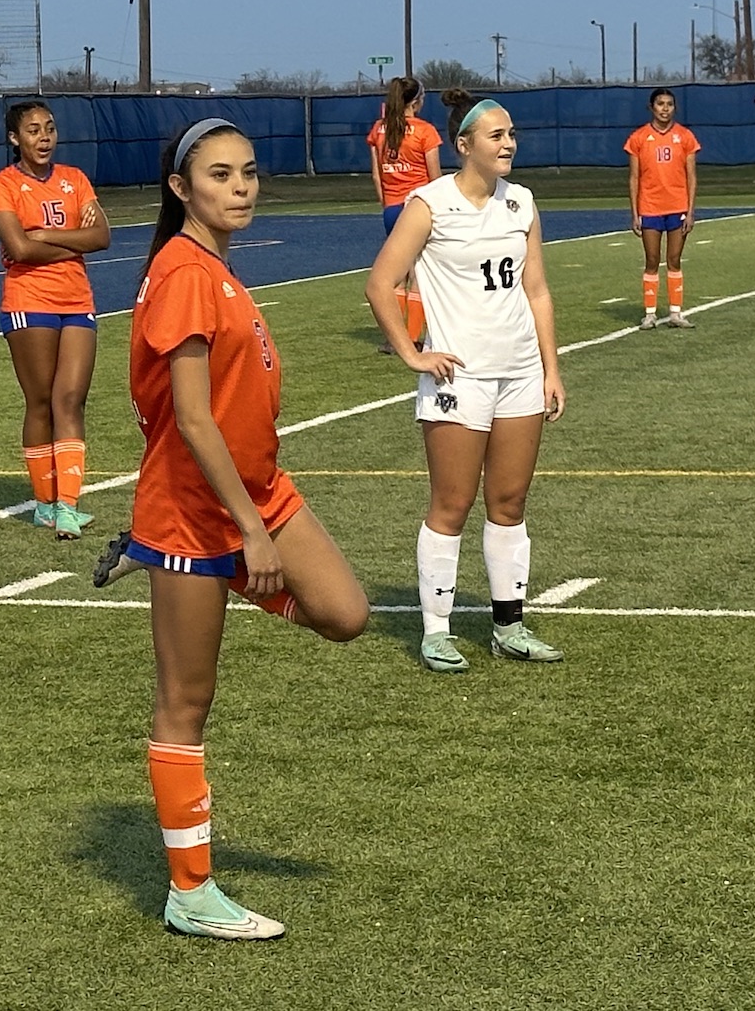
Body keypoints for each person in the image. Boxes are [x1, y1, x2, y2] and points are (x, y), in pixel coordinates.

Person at [130, 118, 370, 940]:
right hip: (193, 514)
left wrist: (258, 524)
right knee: (185, 702)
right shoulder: (182, 273)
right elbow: (193, 420)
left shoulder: (216, 270)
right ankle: (191, 892)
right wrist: (249, 536)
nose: (240, 187)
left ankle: (229, 580)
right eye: (220, 175)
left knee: (345, 613)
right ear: (180, 188)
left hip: (257, 493)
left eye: (249, 173)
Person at [367, 90, 566, 675]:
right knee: (452, 504)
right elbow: (380, 283)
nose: (509, 144)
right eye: (497, 135)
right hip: (460, 376)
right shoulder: (429, 204)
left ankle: (509, 627)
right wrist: (413, 353)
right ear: (464, 145)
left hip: (520, 373)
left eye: (512, 134)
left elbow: (536, 290)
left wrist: (551, 368)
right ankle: (436, 631)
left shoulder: (522, 202)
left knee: (509, 502)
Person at [0, 101, 111, 540]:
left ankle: (68, 507)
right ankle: (45, 504)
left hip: (77, 299)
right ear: (14, 138)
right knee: (40, 401)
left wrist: (46, 236)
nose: (44, 137)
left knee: (70, 399)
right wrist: (74, 242)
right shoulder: (3, 184)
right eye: (33, 130)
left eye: (50, 129)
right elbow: (19, 249)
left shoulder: (75, 179)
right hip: (29, 300)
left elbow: (102, 236)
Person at [365, 76, 442, 348]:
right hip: (418, 209)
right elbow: (434, 177)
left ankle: (393, 339)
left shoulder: (379, 129)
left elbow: (377, 175)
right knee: (418, 275)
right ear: (416, 102)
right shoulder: (425, 131)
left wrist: (387, 204)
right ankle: (410, 338)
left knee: (396, 276)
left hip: (392, 207)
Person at [624, 88, 701, 329]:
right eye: (660, 104)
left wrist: (690, 211)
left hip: (677, 206)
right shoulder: (638, 138)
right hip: (650, 206)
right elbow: (634, 178)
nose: (665, 108)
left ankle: (675, 313)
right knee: (652, 259)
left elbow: (691, 176)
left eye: (669, 104)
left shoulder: (685, 137)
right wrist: (635, 213)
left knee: (674, 259)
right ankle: (650, 314)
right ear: (651, 107)